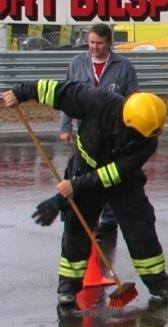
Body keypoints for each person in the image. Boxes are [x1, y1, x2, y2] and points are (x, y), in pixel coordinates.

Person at [4, 80, 168, 306]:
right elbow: (58, 91)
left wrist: (74, 187)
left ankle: (160, 286)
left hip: (123, 181)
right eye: (138, 134)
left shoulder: (148, 139)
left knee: (141, 227)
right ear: (128, 121)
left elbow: (115, 173)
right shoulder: (97, 100)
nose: (143, 138)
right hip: (85, 167)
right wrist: (21, 92)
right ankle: (68, 288)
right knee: (77, 227)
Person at [59, 23, 139, 247]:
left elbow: (133, 100)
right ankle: (86, 218)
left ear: (109, 43)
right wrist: (65, 127)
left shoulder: (124, 67)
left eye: (99, 43)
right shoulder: (77, 64)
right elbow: (66, 96)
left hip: (113, 136)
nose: (94, 47)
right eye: (91, 42)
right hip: (85, 134)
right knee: (83, 175)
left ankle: (109, 221)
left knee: (108, 176)